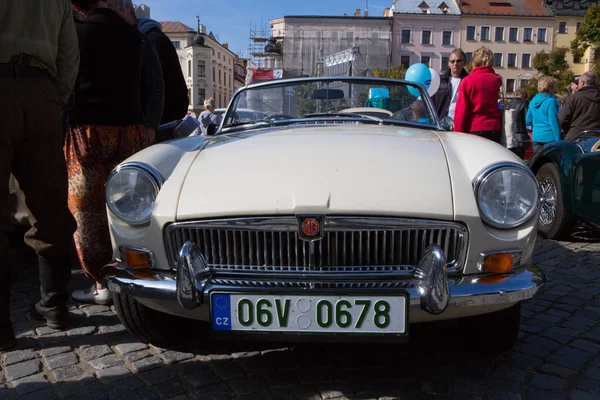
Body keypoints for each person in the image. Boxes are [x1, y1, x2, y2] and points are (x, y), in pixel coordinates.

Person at [0, 0, 80, 350]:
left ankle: (1, 327)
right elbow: (69, 57)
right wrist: (52, 98)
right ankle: (55, 307)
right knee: (49, 206)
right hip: (42, 91)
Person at [66, 0, 156, 305]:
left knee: (87, 212)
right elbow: (149, 83)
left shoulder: (75, 31)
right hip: (129, 130)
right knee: (128, 206)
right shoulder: (133, 35)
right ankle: (132, 274)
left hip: (87, 132)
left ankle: (100, 284)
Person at [138, 18, 189, 126]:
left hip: (159, 120)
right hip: (173, 114)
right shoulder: (160, 37)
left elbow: (153, 84)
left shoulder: (146, 40)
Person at [453, 46, 502, 143]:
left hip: (475, 127)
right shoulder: (496, 80)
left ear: (474, 61)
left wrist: (457, 134)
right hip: (494, 128)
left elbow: (461, 111)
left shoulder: (467, 81)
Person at [559, 71, 600, 141]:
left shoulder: (573, 98)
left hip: (576, 136)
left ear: (582, 83)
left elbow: (562, 119)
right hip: (596, 138)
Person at [526, 76, 561, 153]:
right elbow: (553, 122)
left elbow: (528, 120)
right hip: (550, 137)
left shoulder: (533, 101)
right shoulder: (551, 101)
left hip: (536, 135)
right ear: (551, 87)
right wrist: (558, 139)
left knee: (538, 161)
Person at [431, 48, 469, 119]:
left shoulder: (469, 82)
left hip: (460, 123)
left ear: (464, 63)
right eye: (452, 61)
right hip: (440, 122)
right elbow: (431, 102)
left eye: (458, 61)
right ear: (449, 63)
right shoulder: (439, 80)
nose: (455, 63)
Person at [504, 88, 531, 158]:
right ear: (524, 95)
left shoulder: (507, 104)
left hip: (508, 135)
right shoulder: (525, 103)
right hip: (520, 136)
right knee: (519, 158)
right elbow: (528, 120)